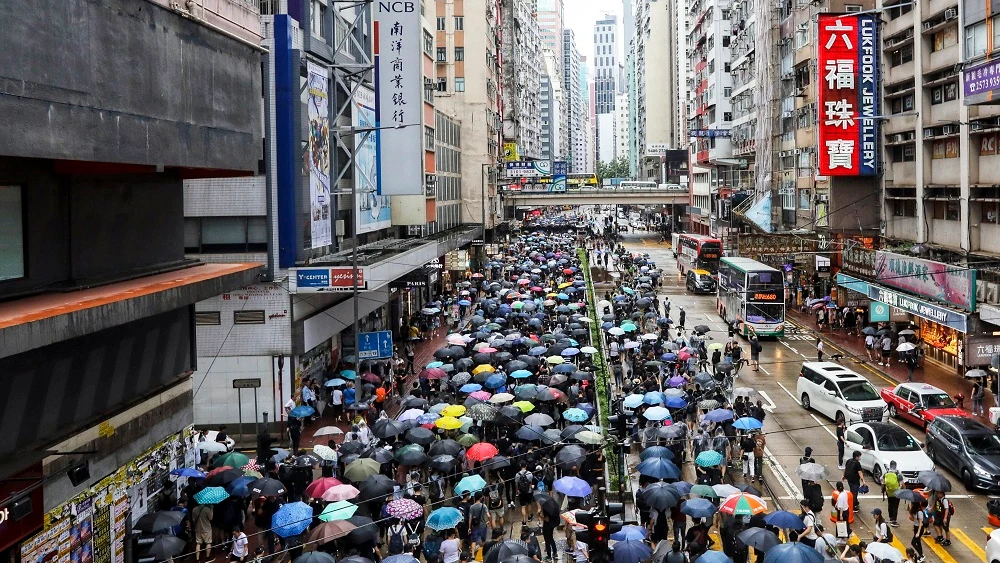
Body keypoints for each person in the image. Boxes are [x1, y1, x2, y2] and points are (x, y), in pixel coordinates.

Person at [882, 460, 902, 527]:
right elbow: (902, 483)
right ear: (895, 465)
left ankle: (890, 518)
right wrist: (904, 490)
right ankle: (894, 520)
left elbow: (882, 482)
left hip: (889, 492)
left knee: (890, 504)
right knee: (895, 506)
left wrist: (883, 490)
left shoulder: (886, 473)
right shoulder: (897, 473)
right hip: (897, 492)